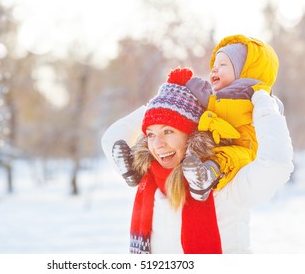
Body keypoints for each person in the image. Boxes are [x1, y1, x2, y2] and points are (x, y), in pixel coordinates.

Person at [101, 59, 293, 253]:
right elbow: (110, 140)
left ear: (192, 134)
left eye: (169, 132)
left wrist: (264, 103)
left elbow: (276, 165)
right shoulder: (149, 176)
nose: (158, 144)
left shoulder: (223, 181)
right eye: (150, 134)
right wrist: (161, 100)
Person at [181, 34, 281, 201]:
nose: (214, 69)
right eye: (214, 65)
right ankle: (192, 172)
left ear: (244, 70)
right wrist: (190, 84)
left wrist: (268, 108)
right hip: (215, 142)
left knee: (229, 157)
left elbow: (271, 112)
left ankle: (205, 178)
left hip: (245, 149)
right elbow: (205, 97)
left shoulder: (257, 93)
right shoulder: (217, 97)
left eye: (222, 64)